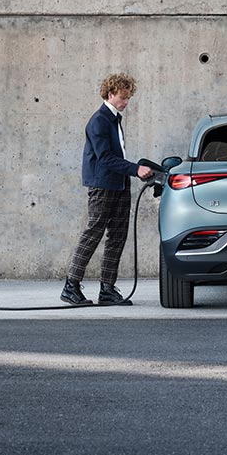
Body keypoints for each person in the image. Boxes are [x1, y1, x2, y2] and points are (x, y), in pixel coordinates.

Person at [61, 73, 152, 306]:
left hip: (119, 184)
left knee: (117, 236)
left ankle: (107, 290)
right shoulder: (99, 121)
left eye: (129, 97)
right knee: (93, 232)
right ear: (110, 94)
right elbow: (105, 158)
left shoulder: (114, 120)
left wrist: (134, 172)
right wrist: (135, 169)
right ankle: (71, 286)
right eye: (123, 97)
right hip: (102, 185)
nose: (126, 102)